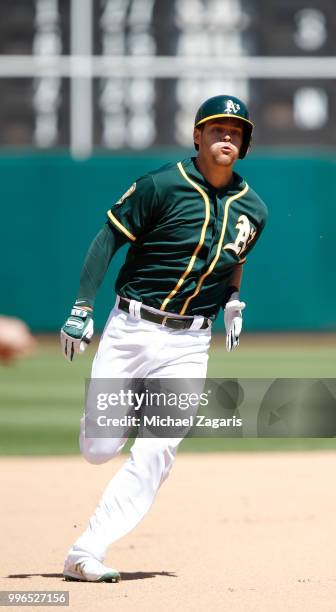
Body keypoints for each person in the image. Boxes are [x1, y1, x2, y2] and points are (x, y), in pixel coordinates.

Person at [60, 94, 268, 582]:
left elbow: (235, 255)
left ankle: (86, 549)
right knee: (99, 448)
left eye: (235, 132)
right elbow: (106, 239)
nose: (226, 137)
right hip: (132, 327)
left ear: (244, 144)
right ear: (197, 136)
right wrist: (81, 307)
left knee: (158, 449)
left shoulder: (253, 208)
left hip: (190, 342)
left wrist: (233, 299)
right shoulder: (160, 184)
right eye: (217, 129)